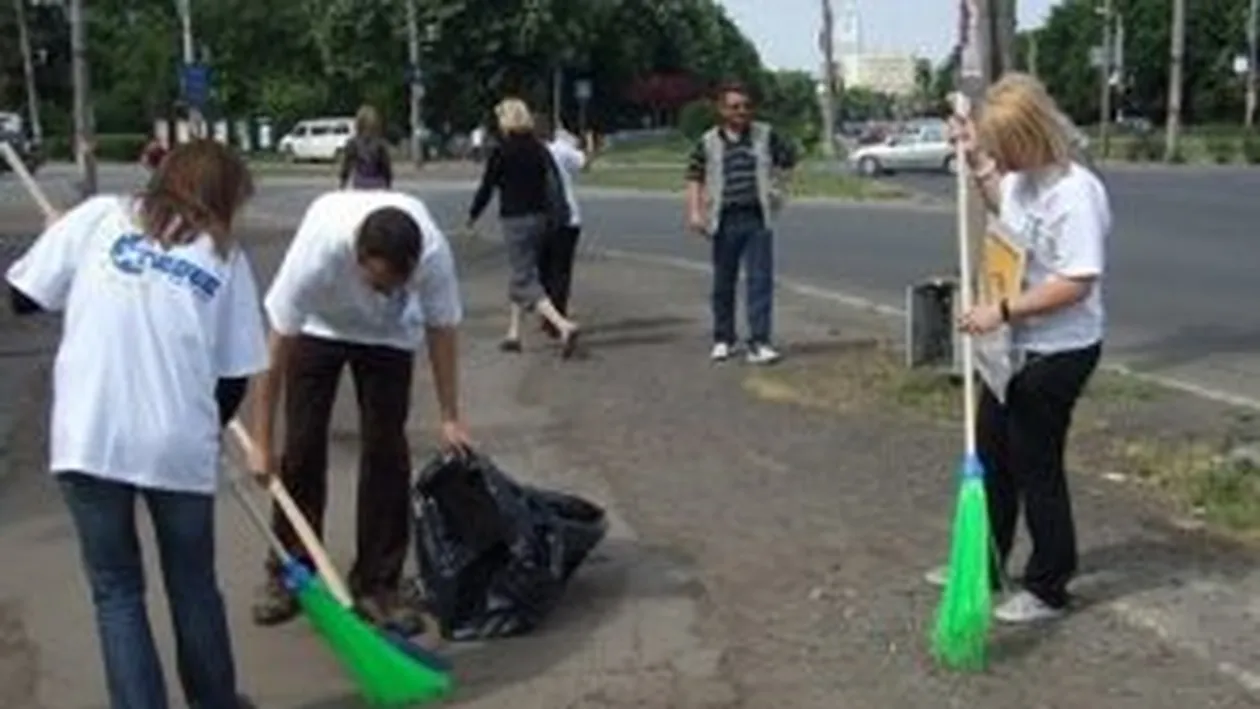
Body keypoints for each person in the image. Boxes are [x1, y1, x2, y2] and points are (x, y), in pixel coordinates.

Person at [5, 140, 266, 709]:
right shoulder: (222, 254)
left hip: (90, 436)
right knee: (193, 586)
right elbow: (234, 377)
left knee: (117, 591)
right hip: (175, 442)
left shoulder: (100, 217)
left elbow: (21, 297)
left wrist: (62, 242)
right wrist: (205, 430)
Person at [926, 72, 1111, 624]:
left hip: (1058, 352)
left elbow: (1077, 280)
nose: (1002, 157)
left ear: (1032, 135)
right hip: (1012, 347)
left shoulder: (1075, 194)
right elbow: (1002, 202)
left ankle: (1049, 584)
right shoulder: (1025, 179)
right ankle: (982, 563)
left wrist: (1000, 312)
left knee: (1037, 468)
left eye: (1006, 146)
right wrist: (976, 159)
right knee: (991, 459)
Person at [247, 188, 471, 635]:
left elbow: (442, 329)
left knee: (387, 451)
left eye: (396, 286)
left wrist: (450, 415)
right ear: (358, 256)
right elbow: (274, 349)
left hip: (388, 339)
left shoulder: (431, 255)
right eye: (377, 282)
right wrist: (260, 441)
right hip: (319, 327)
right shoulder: (319, 252)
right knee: (303, 447)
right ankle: (292, 573)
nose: (385, 291)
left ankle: (378, 582)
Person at [684, 81, 797, 365]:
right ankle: (723, 338)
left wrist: (778, 191)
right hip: (724, 218)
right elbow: (694, 176)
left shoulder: (764, 135)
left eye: (746, 106)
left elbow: (789, 159)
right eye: (734, 106)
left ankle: (760, 342)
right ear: (722, 109)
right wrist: (695, 212)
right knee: (724, 282)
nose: (742, 112)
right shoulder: (708, 141)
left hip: (757, 217)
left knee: (760, 281)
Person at [467, 97, 580, 357]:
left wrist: (473, 215)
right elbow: (552, 185)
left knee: (524, 277)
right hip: (542, 218)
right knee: (523, 271)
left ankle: (563, 325)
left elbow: (487, 187)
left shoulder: (502, 150)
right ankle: (514, 333)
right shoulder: (539, 148)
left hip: (515, 220)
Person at [534, 115, 587, 338]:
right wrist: (585, 142)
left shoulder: (529, 152)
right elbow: (585, 163)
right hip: (567, 217)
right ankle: (558, 316)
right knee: (561, 272)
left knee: (543, 271)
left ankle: (547, 316)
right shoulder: (561, 149)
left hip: (538, 219)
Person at [339, 104, 393, 190]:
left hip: (359, 183)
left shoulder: (353, 143)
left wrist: (342, 184)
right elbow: (386, 169)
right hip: (378, 183)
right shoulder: (381, 144)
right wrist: (388, 185)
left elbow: (346, 167)